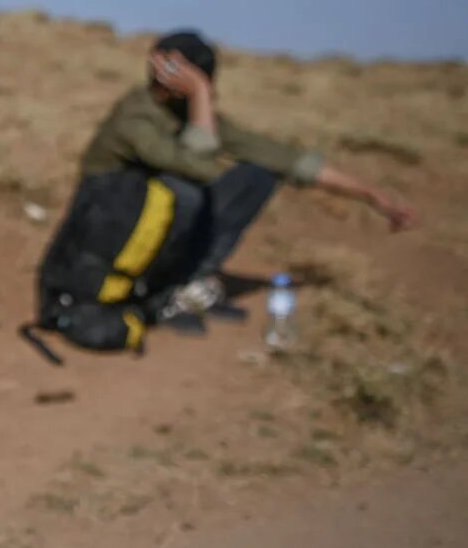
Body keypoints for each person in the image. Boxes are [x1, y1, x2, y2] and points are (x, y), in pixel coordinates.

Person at [35, 29, 418, 351]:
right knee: (183, 190)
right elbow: (199, 167)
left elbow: (285, 158)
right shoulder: (135, 115)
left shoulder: (190, 117)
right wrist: (200, 93)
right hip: (103, 237)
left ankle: (188, 284)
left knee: (258, 174)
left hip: (153, 228)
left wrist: (372, 194)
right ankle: (156, 292)